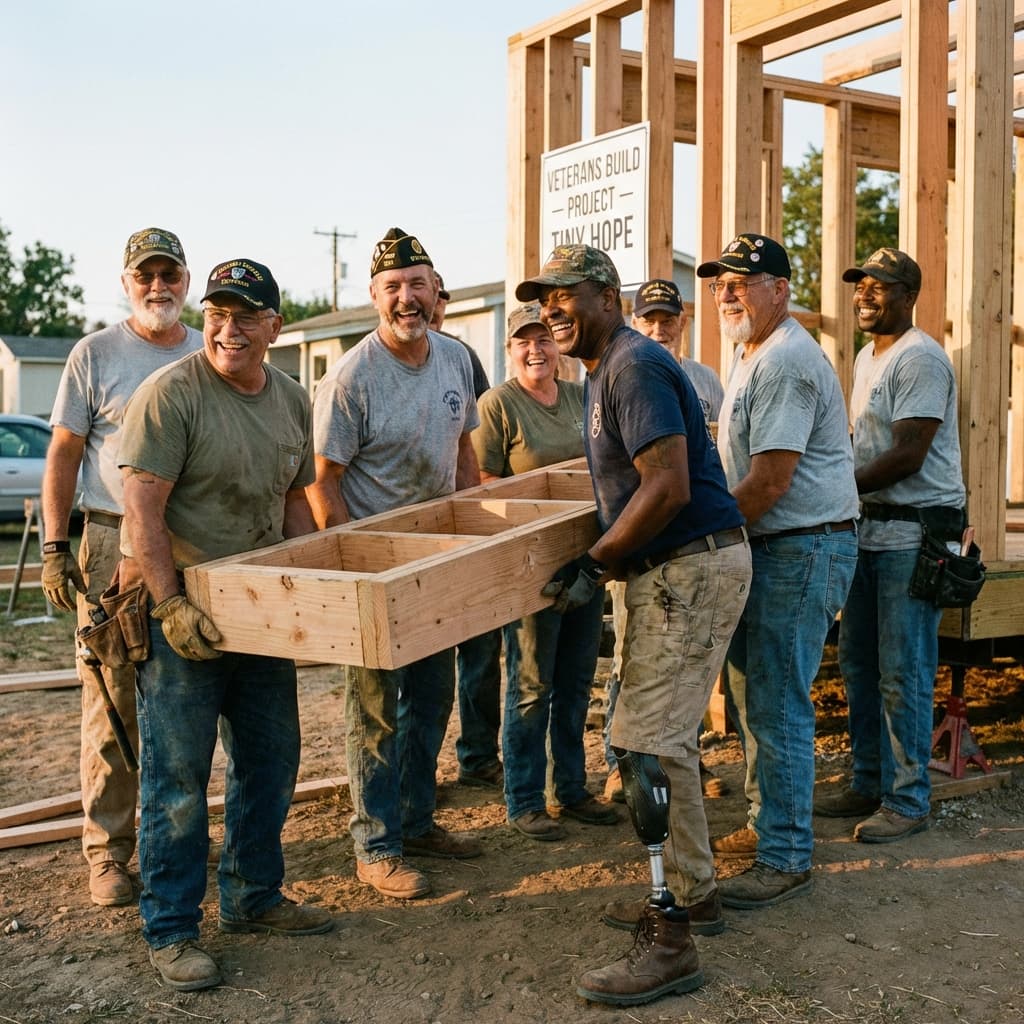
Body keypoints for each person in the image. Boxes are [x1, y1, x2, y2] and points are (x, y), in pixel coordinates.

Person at [517, 245, 751, 1007]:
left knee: (646, 745)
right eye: (544, 300)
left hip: (690, 565)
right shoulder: (604, 369)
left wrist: (594, 563)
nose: (553, 310)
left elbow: (670, 485)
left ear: (608, 297)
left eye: (566, 296)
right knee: (660, 742)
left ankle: (672, 935)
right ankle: (692, 891)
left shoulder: (632, 365)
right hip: (672, 570)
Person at [119, 258, 332, 991]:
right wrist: (170, 603)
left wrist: (311, 581)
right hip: (186, 613)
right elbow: (142, 509)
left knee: (271, 763)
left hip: (262, 611)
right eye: (216, 313)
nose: (227, 328)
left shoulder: (292, 399)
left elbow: (295, 501)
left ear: (275, 327)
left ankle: (254, 896)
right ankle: (172, 929)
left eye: (245, 316)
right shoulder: (171, 395)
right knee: (177, 779)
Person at [306, 228, 482, 901]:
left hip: (437, 559)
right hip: (375, 566)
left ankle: (417, 819)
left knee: (433, 698)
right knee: (375, 712)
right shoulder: (352, 377)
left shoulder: (456, 360)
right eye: (392, 288)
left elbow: (464, 454)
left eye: (417, 285)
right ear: (374, 297)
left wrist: (471, 534)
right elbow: (322, 483)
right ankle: (376, 845)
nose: (406, 298)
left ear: (437, 292)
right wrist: (353, 569)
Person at [41, 227, 204, 908]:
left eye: (169, 275)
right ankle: (108, 853)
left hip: (191, 541)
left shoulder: (207, 350)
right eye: (146, 276)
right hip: (109, 540)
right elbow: (64, 453)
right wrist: (55, 545)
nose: (158, 288)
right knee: (111, 706)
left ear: (187, 282)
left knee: (188, 701)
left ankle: (180, 839)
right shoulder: (95, 354)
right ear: (126, 283)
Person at [701, 233, 859, 909]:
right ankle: (771, 825)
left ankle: (786, 852)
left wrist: (694, 534)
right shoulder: (749, 353)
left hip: (800, 547)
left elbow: (768, 482)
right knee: (752, 698)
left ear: (781, 290)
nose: (728, 292)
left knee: (777, 702)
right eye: (720, 283)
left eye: (743, 281)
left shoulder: (788, 360)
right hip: (771, 547)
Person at [814, 248, 966, 842]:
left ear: (909, 295)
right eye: (860, 285)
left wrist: (830, 488)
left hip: (913, 533)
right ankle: (869, 780)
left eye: (881, 286)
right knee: (858, 662)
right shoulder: (867, 356)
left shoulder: (920, 358)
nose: (866, 295)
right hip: (871, 531)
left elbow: (907, 454)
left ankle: (908, 800)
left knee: (904, 668)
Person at [473, 302, 616, 841]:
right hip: (532, 567)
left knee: (578, 679)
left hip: (585, 558)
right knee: (531, 684)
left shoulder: (582, 398)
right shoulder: (498, 406)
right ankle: (526, 797)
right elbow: (484, 486)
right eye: (524, 342)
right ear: (510, 350)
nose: (536, 350)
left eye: (545, 340)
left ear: (559, 348)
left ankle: (572, 788)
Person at [603, 278, 729, 803]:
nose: (659, 328)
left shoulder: (704, 380)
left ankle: (684, 762)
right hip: (640, 538)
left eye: (668, 319)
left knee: (685, 662)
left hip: (688, 537)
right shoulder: (626, 373)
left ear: (684, 323)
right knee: (629, 657)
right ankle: (619, 764)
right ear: (634, 321)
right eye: (649, 319)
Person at [431, 270, 504, 791]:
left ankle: (477, 756)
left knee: (479, 653)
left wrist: (474, 514)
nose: (425, 305)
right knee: (419, 680)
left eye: (434, 295)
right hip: (410, 537)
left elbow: (467, 445)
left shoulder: (459, 357)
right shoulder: (366, 365)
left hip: (459, 527)